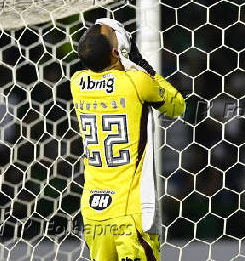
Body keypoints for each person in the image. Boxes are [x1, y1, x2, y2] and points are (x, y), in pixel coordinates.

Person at [70, 20, 185, 261]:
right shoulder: (137, 82)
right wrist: (142, 65)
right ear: (116, 52)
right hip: (131, 213)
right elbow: (177, 106)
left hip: (94, 212)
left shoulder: (77, 82)